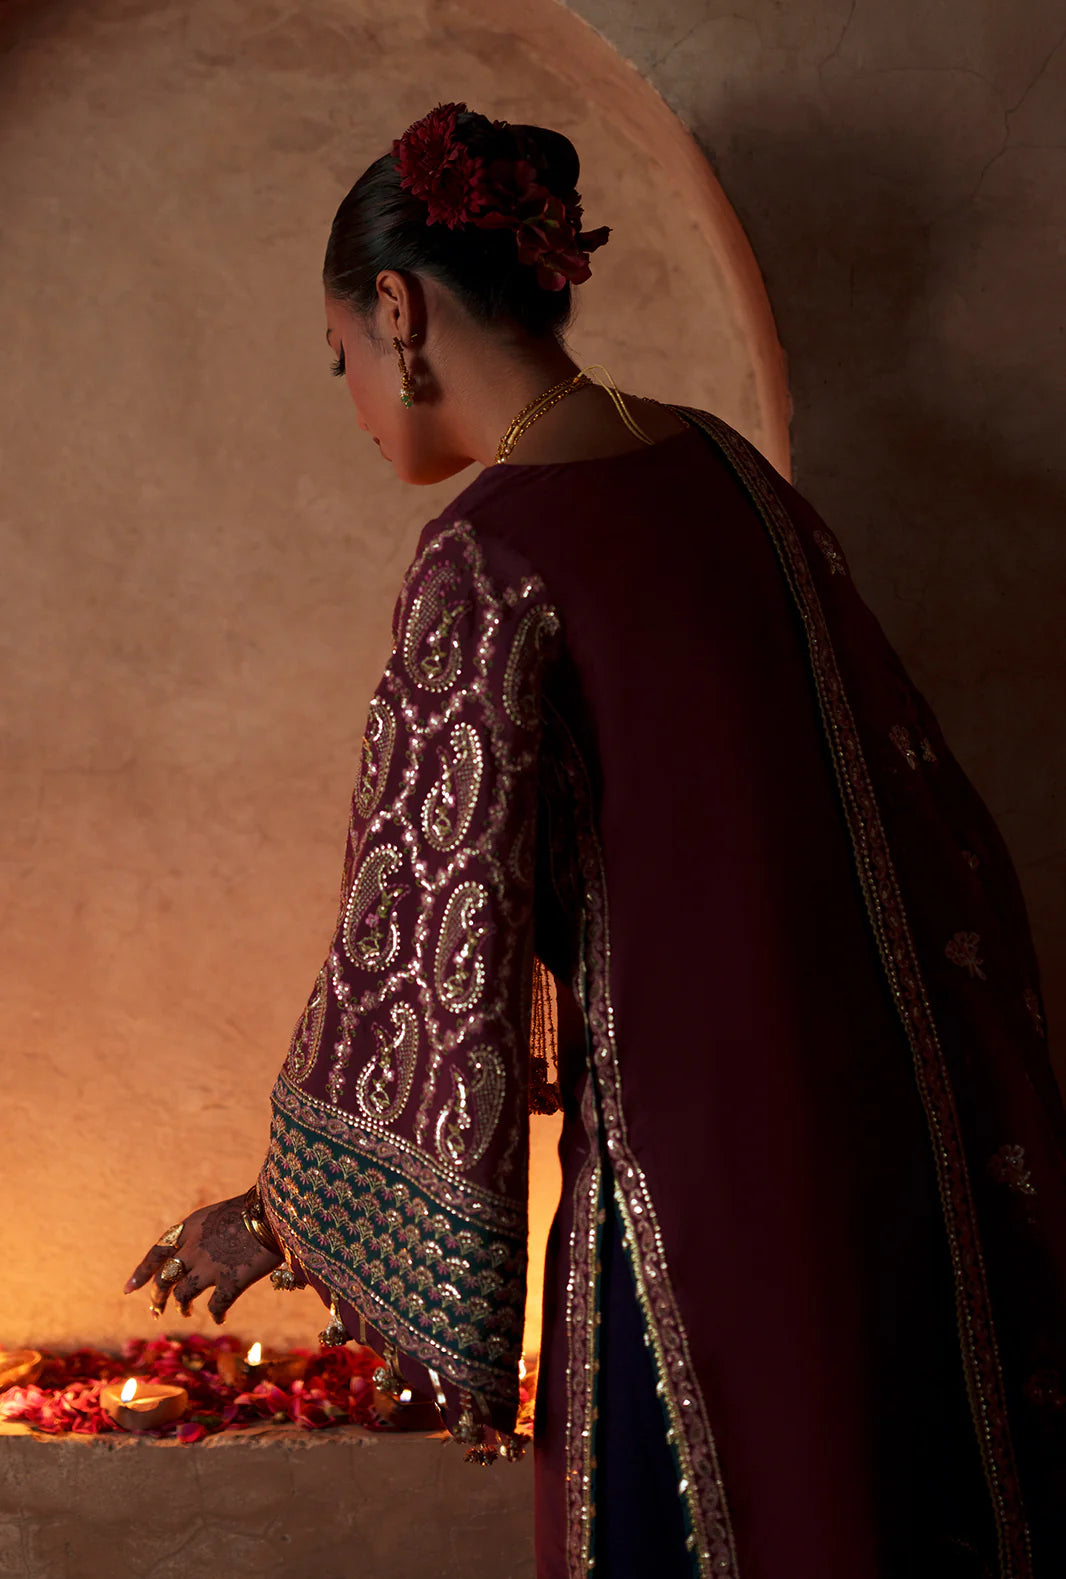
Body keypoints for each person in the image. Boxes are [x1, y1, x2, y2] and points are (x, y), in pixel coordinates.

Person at [126, 103, 1066, 1578]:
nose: (355, 399)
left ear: (397, 311)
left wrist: (278, 1212)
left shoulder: (490, 555)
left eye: (340, 358)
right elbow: (913, 804)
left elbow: (427, 935)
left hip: (688, 1180)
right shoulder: (731, 475)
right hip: (890, 1136)